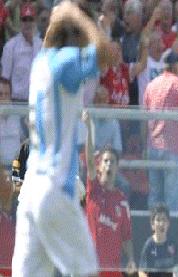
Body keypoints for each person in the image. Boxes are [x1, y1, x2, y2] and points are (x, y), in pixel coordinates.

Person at [11, 2, 116, 276]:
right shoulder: (66, 61)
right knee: (85, 272)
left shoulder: (40, 63)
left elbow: (52, 41)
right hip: (55, 188)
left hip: (30, 191)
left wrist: (62, 19)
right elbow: (105, 53)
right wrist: (76, 17)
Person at [84, 112, 136, 276]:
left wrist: (131, 259)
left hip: (112, 271)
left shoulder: (122, 201)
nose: (108, 165)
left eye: (112, 162)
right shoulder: (93, 190)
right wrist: (88, 129)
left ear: (116, 168)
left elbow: (126, 237)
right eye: (105, 161)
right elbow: (90, 161)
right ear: (99, 166)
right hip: (90, 268)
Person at [143, 49, 178, 211]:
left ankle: (152, 233)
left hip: (152, 147)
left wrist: (144, 146)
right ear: (175, 66)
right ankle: (172, 235)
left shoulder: (151, 85)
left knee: (154, 196)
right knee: (173, 200)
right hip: (172, 148)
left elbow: (144, 119)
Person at [0, 2, 42, 102]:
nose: (27, 23)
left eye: (30, 19)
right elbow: (5, 79)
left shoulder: (42, 45)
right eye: (24, 19)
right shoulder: (10, 46)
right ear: (20, 22)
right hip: (16, 102)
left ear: (35, 22)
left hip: (36, 102)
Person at [139, 203, 178, 277]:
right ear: (152, 224)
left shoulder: (172, 244)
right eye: (158, 220)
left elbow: (177, 267)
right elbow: (142, 271)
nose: (161, 223)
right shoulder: (149, 245)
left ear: (168, 223)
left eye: (164, 220)